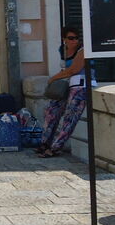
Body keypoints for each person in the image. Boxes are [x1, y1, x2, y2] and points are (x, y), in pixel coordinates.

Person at [37, 26, 89, 158]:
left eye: (76, 38)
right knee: (51, 111)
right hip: (67, 84)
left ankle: (56, 147)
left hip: (80, 84)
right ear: (64, 39)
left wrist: (53, 79)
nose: (74, 41)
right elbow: (65, 69)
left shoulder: (82, 50)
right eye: (71, 38)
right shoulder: (63, 50)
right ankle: (44, 143)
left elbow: (74, 69)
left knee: (70, 117)